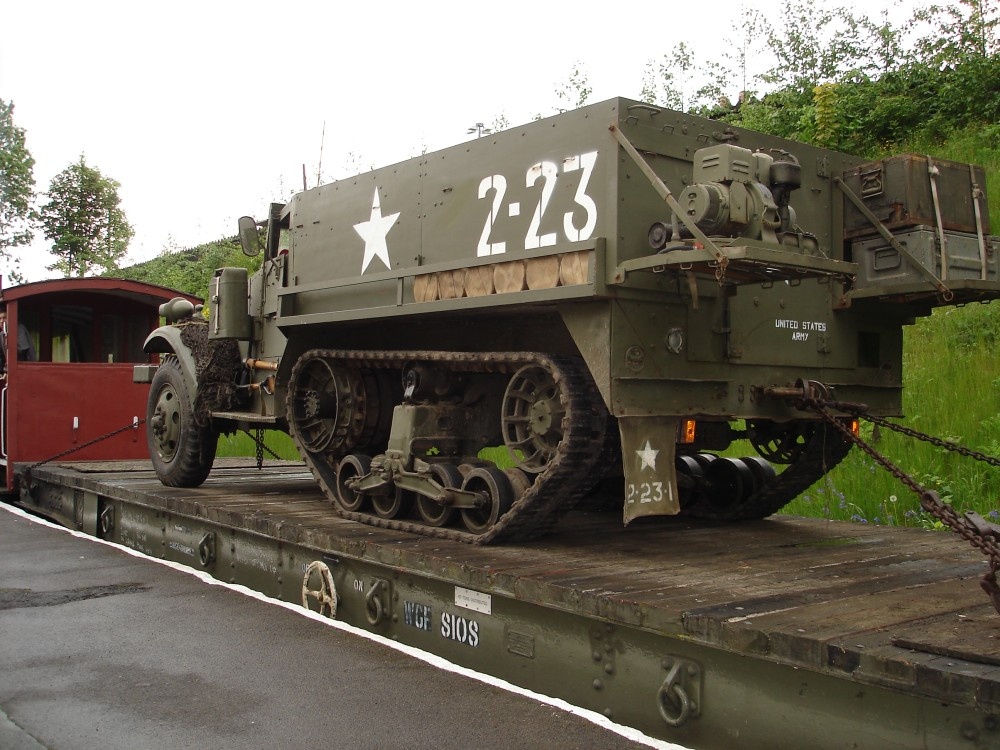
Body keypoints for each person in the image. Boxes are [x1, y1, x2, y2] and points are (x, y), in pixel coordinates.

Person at [0, 307, 36, 376]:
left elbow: (24, 352)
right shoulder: (2, 334)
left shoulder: (19, 328)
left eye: (4, 318)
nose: (2, 321)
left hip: (27, 368)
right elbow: (1, 355)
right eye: (0, 319)